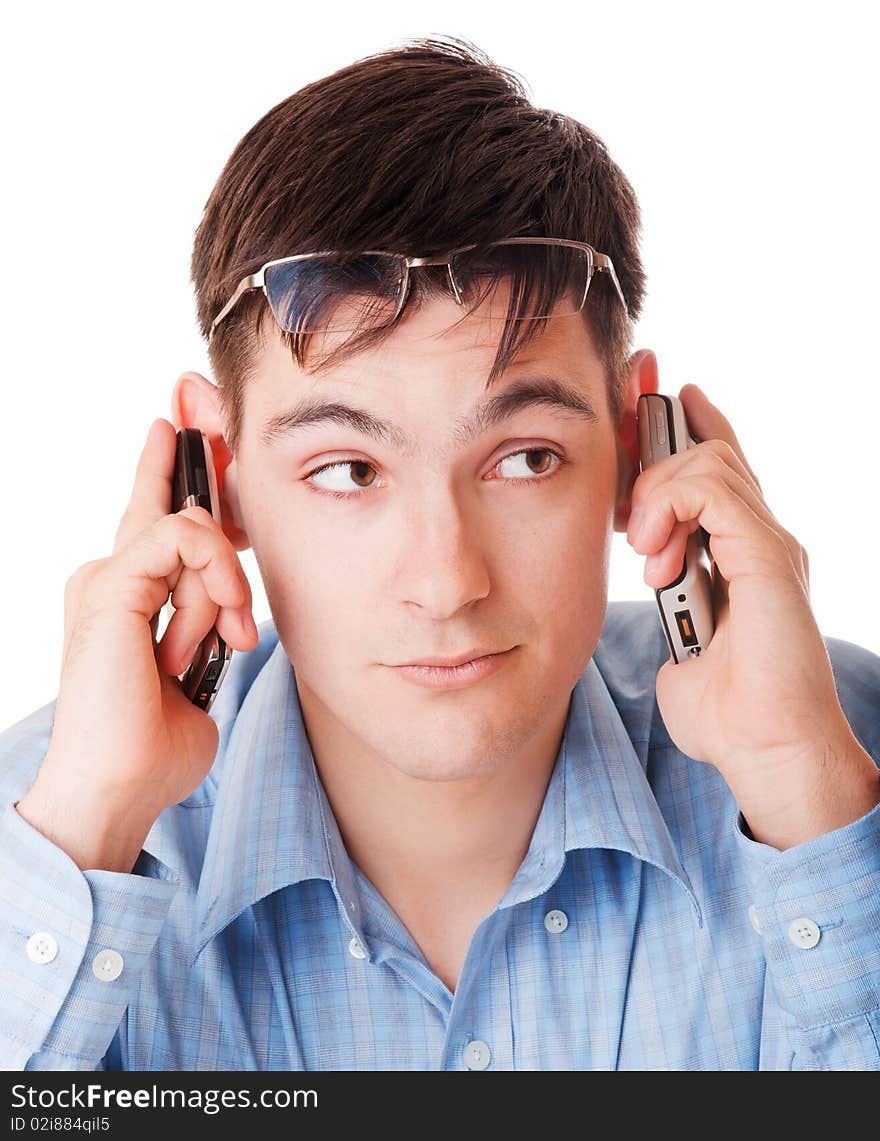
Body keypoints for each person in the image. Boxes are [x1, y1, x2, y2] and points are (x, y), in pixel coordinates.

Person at [1, 34, 878, 1073]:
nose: (445, 582)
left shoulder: (827, 750)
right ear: (219, 473)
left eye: (524, 457)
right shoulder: (50, 832)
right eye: (347, 470)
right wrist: (92, 817)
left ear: (636, 445)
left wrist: (806, 792)